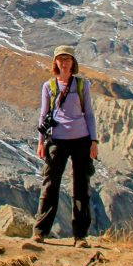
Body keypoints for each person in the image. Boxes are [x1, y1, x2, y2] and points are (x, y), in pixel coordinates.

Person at [33, 45, 98, 247]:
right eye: (60, 59)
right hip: (57, 140)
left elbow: (89, 113)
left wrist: (94, 141)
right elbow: (43, 115)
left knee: (81, 188)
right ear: (55, 63)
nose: (64, 62)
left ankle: (80, 236)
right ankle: (40, 231)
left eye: (67, 59)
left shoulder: (81, 85)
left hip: (82, 140)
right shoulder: (49, 86)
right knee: (50, 185)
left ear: (73, 62)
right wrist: (41, 141)